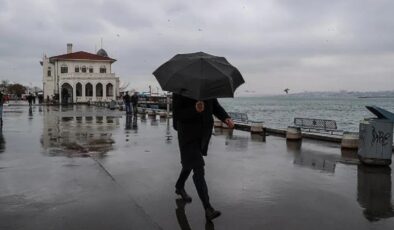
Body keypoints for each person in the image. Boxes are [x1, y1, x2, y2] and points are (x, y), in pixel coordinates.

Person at [172, 93, 234, 221]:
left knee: (189, 164)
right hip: (187, 136)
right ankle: (208, 208)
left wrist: (226, 118)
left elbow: (215, 106)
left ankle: (179, 186)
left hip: (202, 137)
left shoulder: (207, 88)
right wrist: (194, 109)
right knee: (198, 167)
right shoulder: (180, 89)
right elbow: (177, 115)